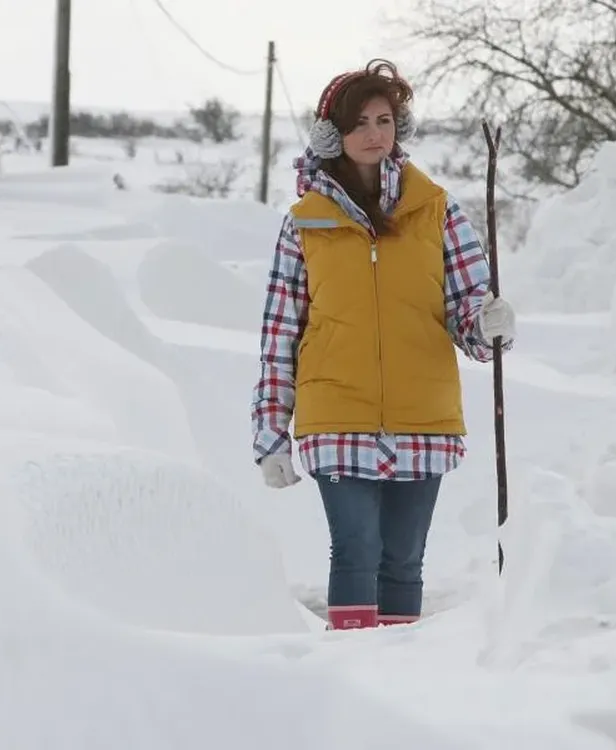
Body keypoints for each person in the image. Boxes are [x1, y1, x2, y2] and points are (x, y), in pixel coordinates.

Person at [250, 59, 516, 631]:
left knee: (402, 562)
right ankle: (349, 676)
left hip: (424, 412)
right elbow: (280, 335)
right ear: (333, 136)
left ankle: (397, 686)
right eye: (359, 123)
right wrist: (271, 431)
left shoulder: (437, 211)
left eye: (385, 120)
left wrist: (489, 324)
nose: (374, 134)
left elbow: (468, 315)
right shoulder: (305, 223)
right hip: (335, 413)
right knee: (355, 550)